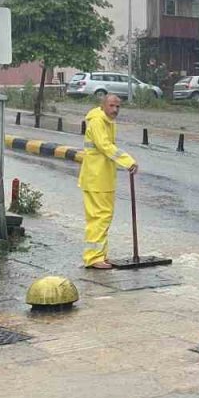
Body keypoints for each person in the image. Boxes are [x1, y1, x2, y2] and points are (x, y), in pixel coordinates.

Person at [80, 94, 137, 269]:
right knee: (100, 217)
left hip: (101, 178)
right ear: (103, 105)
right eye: (112, 106)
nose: (115, 110)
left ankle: (99, 255)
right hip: (97, 179)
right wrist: (128, 161)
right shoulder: (98, 121)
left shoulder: (106, 121)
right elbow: (105, 146)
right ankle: (94, 257)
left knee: (102, 217)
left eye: (118, 107)